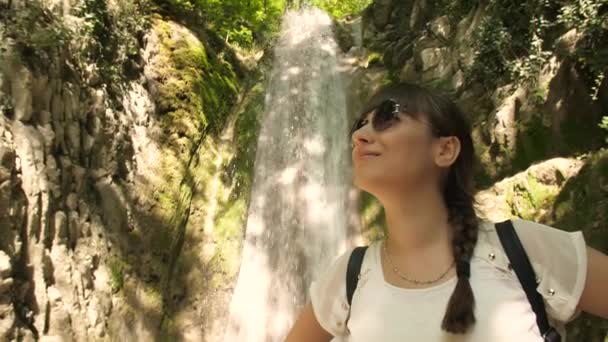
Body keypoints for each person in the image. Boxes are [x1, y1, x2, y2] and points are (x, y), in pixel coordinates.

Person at [285, 82, 608, 341]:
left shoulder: (520, 248)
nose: (359, 135)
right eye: (360, 125)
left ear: (445, 149)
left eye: (387, 116)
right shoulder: (348, 276)